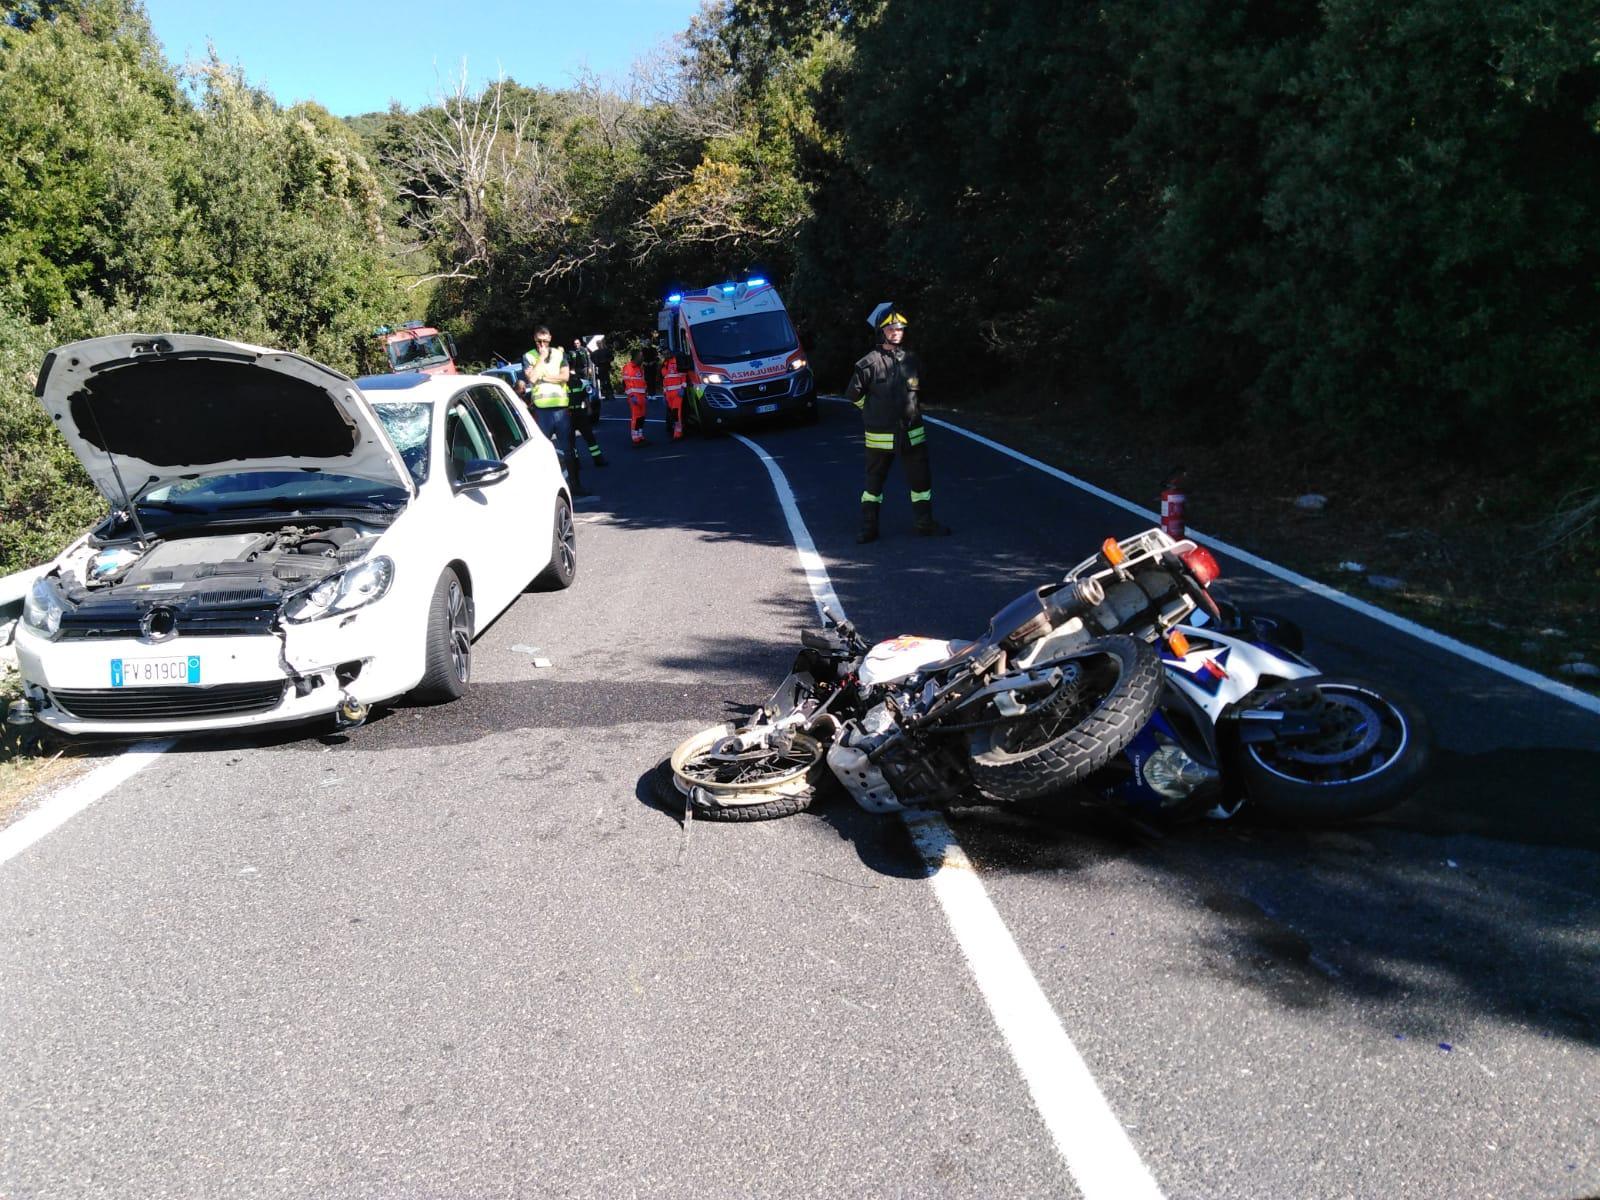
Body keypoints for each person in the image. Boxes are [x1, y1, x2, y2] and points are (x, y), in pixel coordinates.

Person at [844, 303, 949, 542]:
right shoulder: (869, 363)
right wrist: (870, 412)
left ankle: (925, 523)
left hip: (912, 433)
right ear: (881, 332)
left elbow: (923, 391)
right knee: (873, 486)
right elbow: (853, 394)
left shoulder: (912, 360)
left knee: (921, 482)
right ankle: (869, 528)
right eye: (891, 328)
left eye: (900, 328)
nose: (896, 332)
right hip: (880, 436)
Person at [522, 326, 587, 495]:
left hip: (561, 409)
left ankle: (575, 485)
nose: (542, 344)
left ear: (550, 338)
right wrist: (541, 359)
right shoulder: (529, 356)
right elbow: (532, 378)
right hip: (542, 410)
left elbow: (565, 377)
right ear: (534, 340)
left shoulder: (559, 354)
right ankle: (546, 489)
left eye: (545, 341)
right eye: (538, 341)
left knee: (568, 449)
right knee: (542, 451)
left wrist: (543, 377)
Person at [567, 337, 607, 468]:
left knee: (590, 437)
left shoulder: (580, 382)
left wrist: (589, 408)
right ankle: (575, 462)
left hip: (580, 412)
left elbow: (585, 396)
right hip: (568, 415)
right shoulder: (562, 385)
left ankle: (598, 460)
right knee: (571, 441)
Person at [622, 346, 649, 446]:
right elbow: (626, 383)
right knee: (636, 417)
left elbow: (642, 382)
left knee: (642, 417)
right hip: (634, 397)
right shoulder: (628, 367)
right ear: (635, 357)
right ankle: (635, 438)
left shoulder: (639, 368)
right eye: (640, 356)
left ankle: (640, 436)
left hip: (641, 396)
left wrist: (645, 395)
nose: (642, 358)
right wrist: (632, 396)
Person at [661, 350, 687, 441]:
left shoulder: (677, 361)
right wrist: (664, 394)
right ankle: (676, 431)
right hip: (669, 394)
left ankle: (678, 434)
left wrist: (682, 388)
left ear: (671, 353)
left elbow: (683, 375)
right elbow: (664, 380)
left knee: (676, 413)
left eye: (667, 353)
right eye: (664, 354)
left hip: (677, 392)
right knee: (673, 413)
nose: (666, 355)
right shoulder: (664, 364)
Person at [589, 335, 615, 401]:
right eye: (598, 344)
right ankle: (607, 395)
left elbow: (612, 357)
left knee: (607, 382)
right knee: (603, 382)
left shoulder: (606, 351)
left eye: (600, 343)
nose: (599, 345)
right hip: (601, 368)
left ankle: (610, 395)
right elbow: (592, 358)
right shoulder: (596, 352)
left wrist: (606, 361)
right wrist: (597, 363)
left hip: (606, 368)